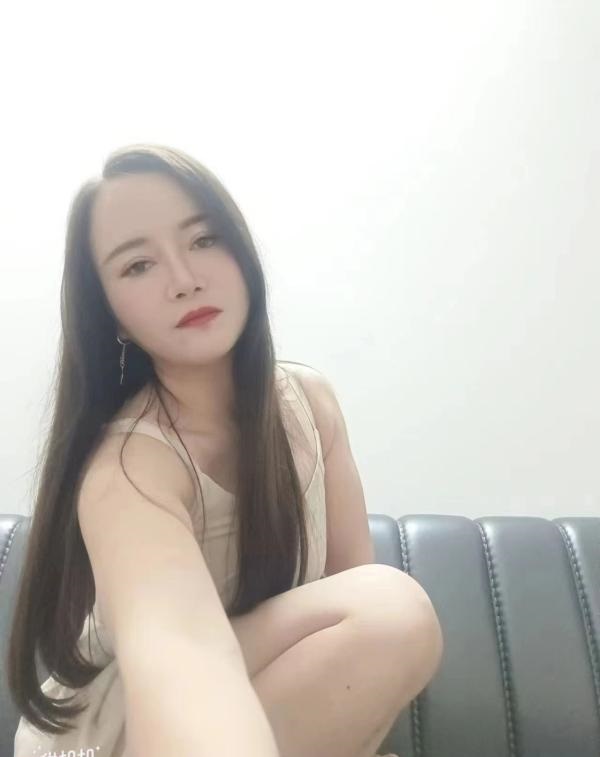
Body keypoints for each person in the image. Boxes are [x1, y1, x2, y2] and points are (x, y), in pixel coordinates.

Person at [8, 143, 443, 757]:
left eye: (204, 239)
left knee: (389, 612)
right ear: (114, 318)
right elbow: (179, 652)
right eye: (138, 265)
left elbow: (348, 608)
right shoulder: (129, 469)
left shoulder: (311, 406)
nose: (184, 279)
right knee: (392, 610)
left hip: (253, 697)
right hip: (121, 728)